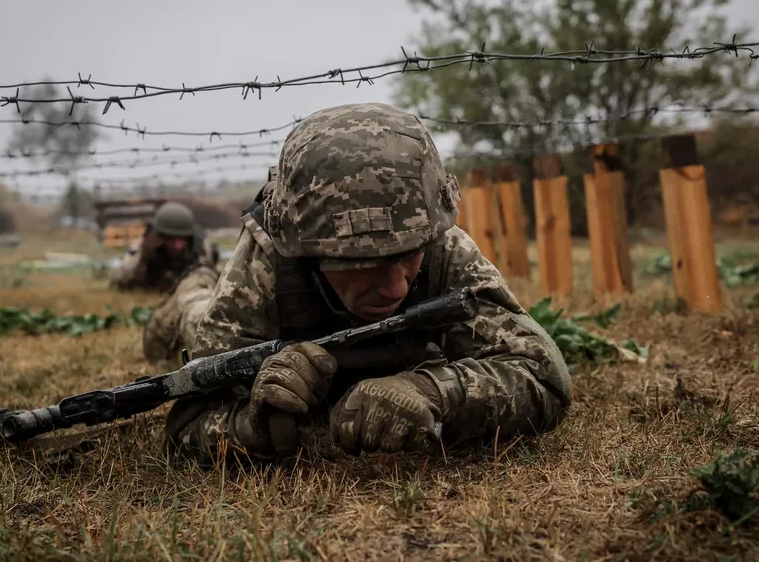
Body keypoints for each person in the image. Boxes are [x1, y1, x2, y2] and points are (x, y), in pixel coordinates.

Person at [150, 102, 572, 467]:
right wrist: (254, 424)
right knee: (196, 307)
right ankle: (189, 290)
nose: (394, 288)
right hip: (215, 307)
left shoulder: (437, 240)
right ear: (305, 251)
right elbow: (187, 426)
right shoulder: (267, 261)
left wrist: (434, 392)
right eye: (360, 263)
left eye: (407, 256)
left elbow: (543, 373)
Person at [109, 201, 216, 294]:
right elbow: (119, 279)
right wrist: (142, 255)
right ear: (161, 237)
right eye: (171, 239)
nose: (177, 246)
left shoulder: (200, 249)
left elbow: (212, 276)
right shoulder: (145, 247)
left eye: (182, 239)